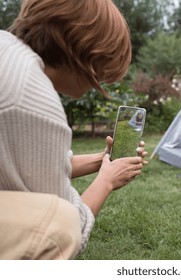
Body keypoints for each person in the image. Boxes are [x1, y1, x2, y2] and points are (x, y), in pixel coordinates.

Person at [0, 0, 147, 259]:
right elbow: (64, 222)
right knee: (60, 224)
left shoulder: (7, 50)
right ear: (87, 52)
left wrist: (102, 161)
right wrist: (106, 181)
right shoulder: (32, 97)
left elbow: (31, 166)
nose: (100, 81)